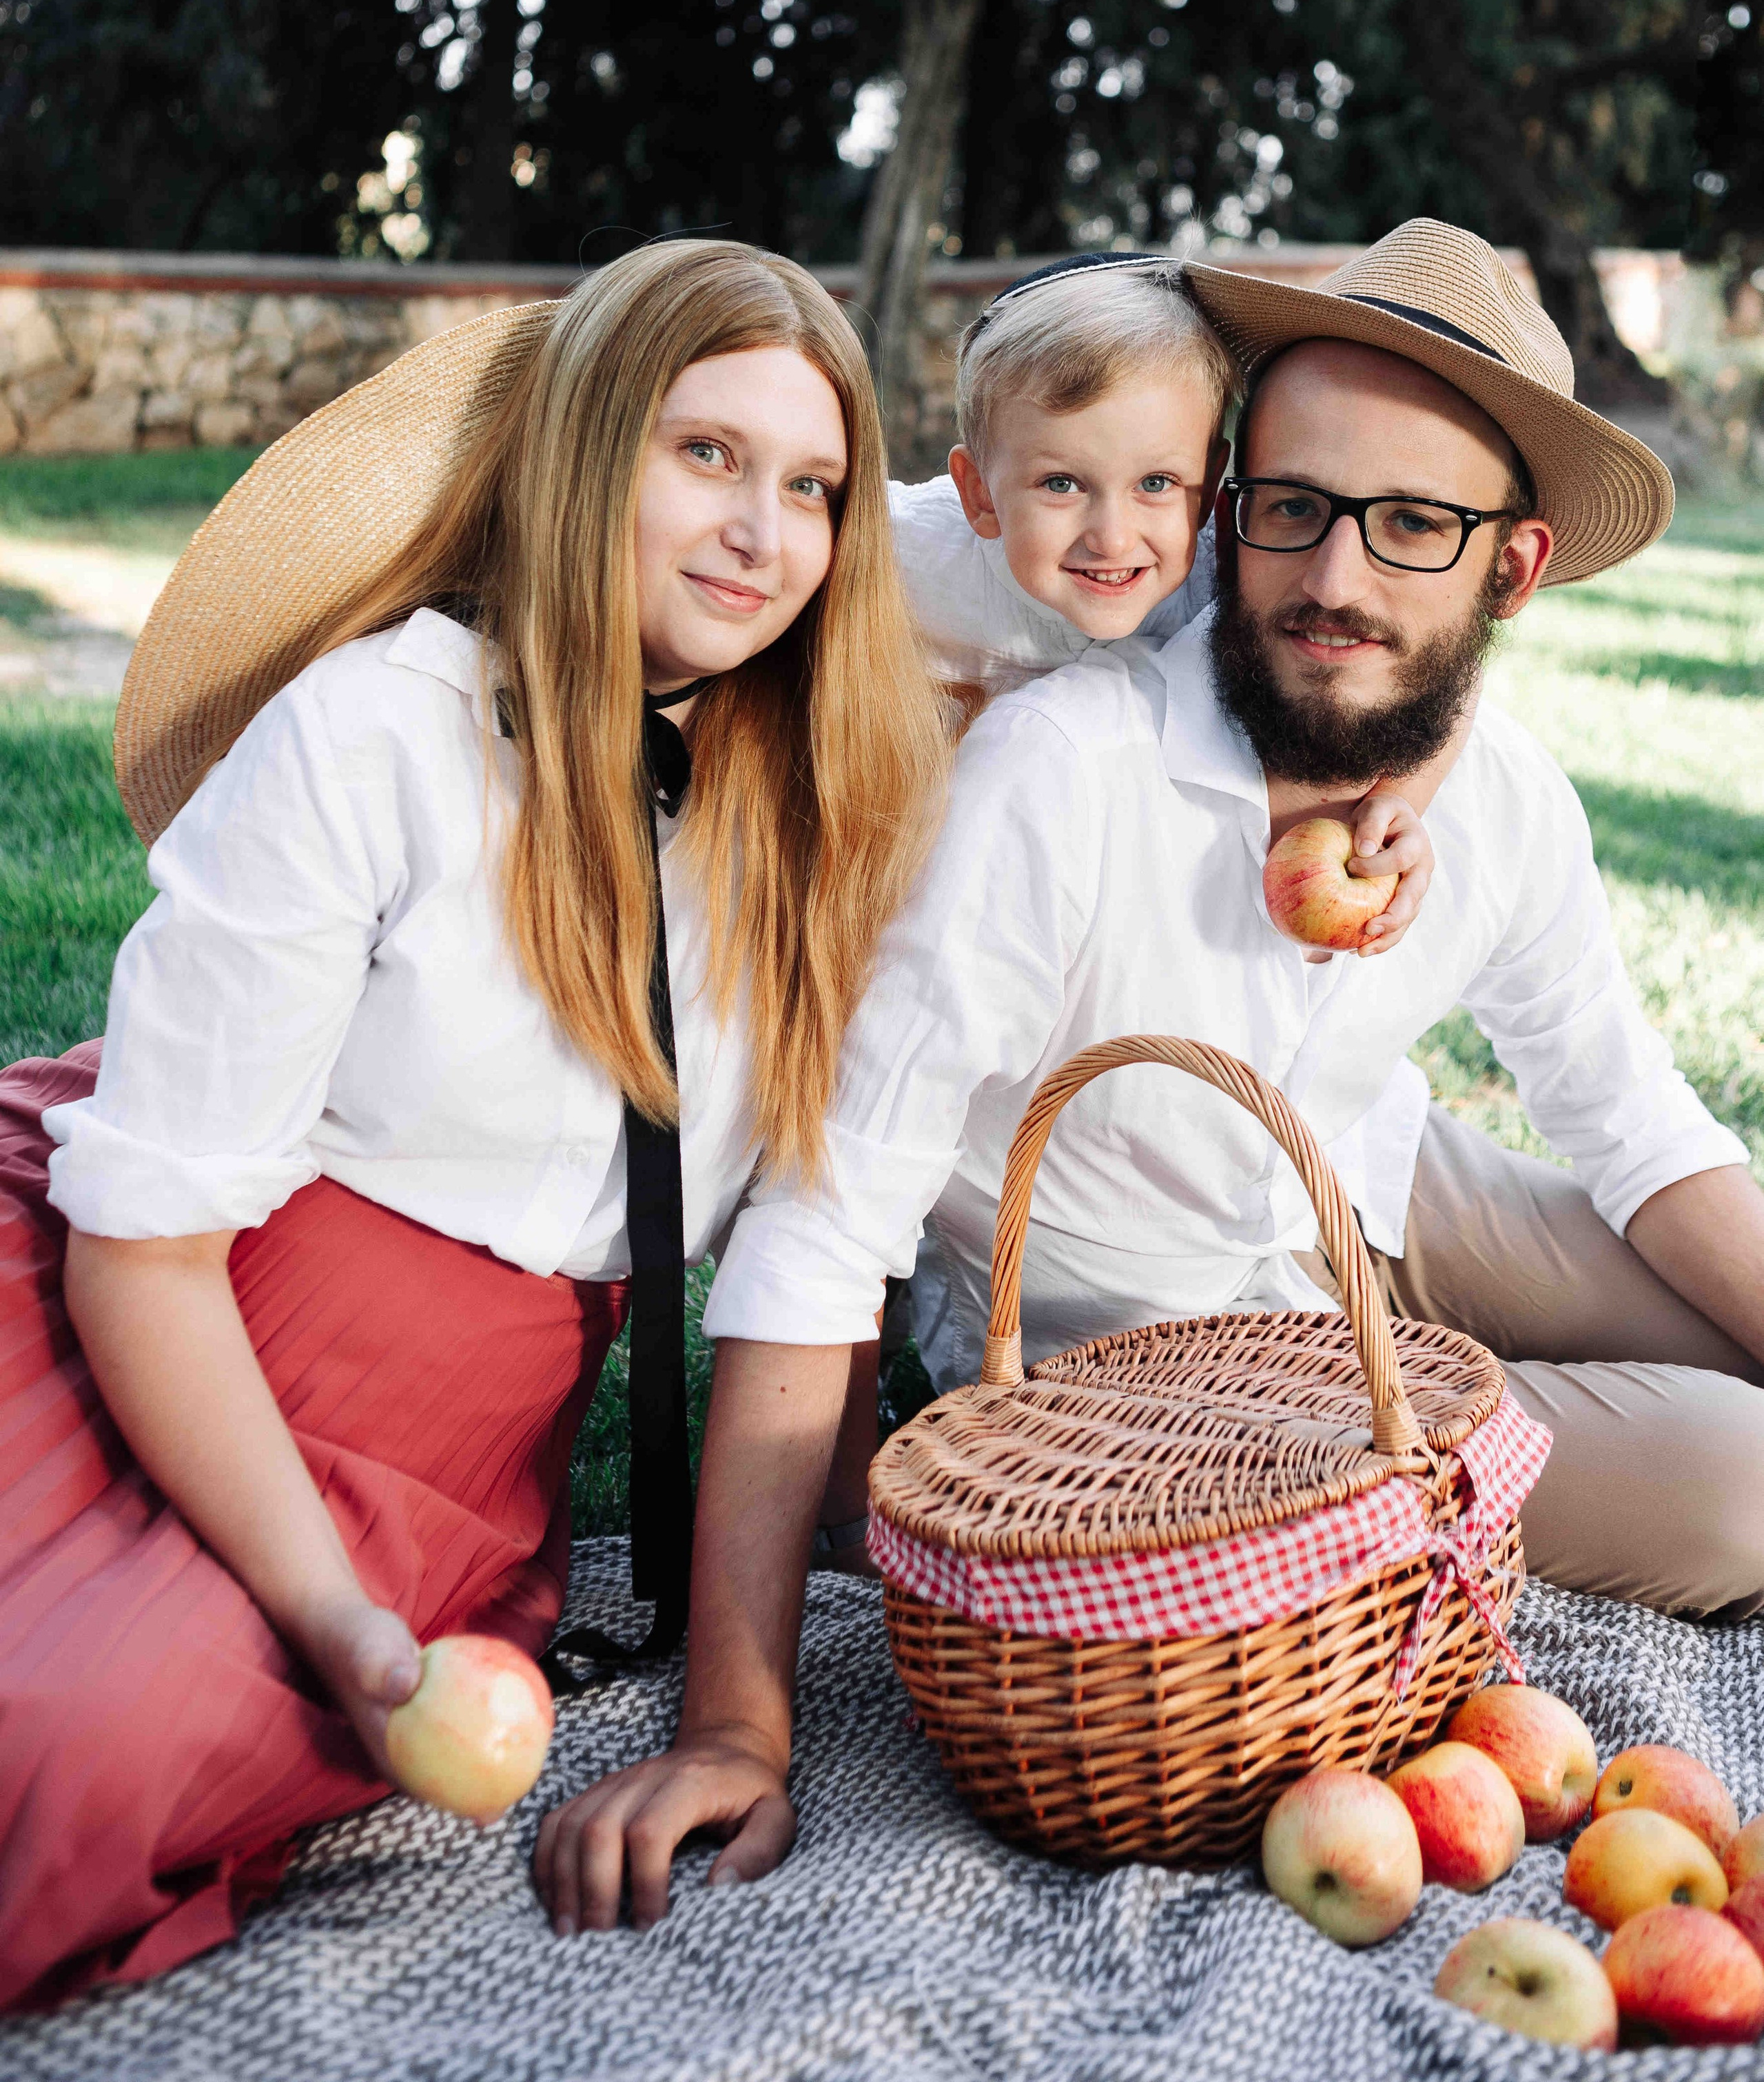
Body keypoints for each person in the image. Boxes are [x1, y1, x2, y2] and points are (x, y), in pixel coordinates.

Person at [533, 217, 1764, 1934]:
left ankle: (1466, 1394)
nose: (1332, 575)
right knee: (1739, 1485)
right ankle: (1445, 1429)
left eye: (1414, 526)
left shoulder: (1498, 804)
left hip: (1380, 1182)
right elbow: (830, 1214)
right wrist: (737, 1717)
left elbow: (1631, 1122)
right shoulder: (1057, 766)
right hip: (1170, 1336)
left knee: (1730, 1298)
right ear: (1226, 509)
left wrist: (1442, 740)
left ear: (1515, 567)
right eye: (1293, 506)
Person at [0, 238, 948, 2012]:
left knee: (76, 1752)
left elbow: (1101, 536)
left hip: (435, 1417)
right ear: (587, 456)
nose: (763, 531)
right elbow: (149, 1242)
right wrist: (342, 1623)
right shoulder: (375, 735)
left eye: (812, 487)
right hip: (150, 1285)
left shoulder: (817, 802)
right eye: (706, 456)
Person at [797, 251, 1438, 1567]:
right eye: (1060, 485)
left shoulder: (1206, 570)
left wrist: (1392, 799)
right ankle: (831, 1496)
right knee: (848, 1145)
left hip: (1065, 917)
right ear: (979, 492)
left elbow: (1410, 648)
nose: (1111, 533)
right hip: (886, 873)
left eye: (1157, 484)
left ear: (1207, 493)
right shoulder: (905, 559)